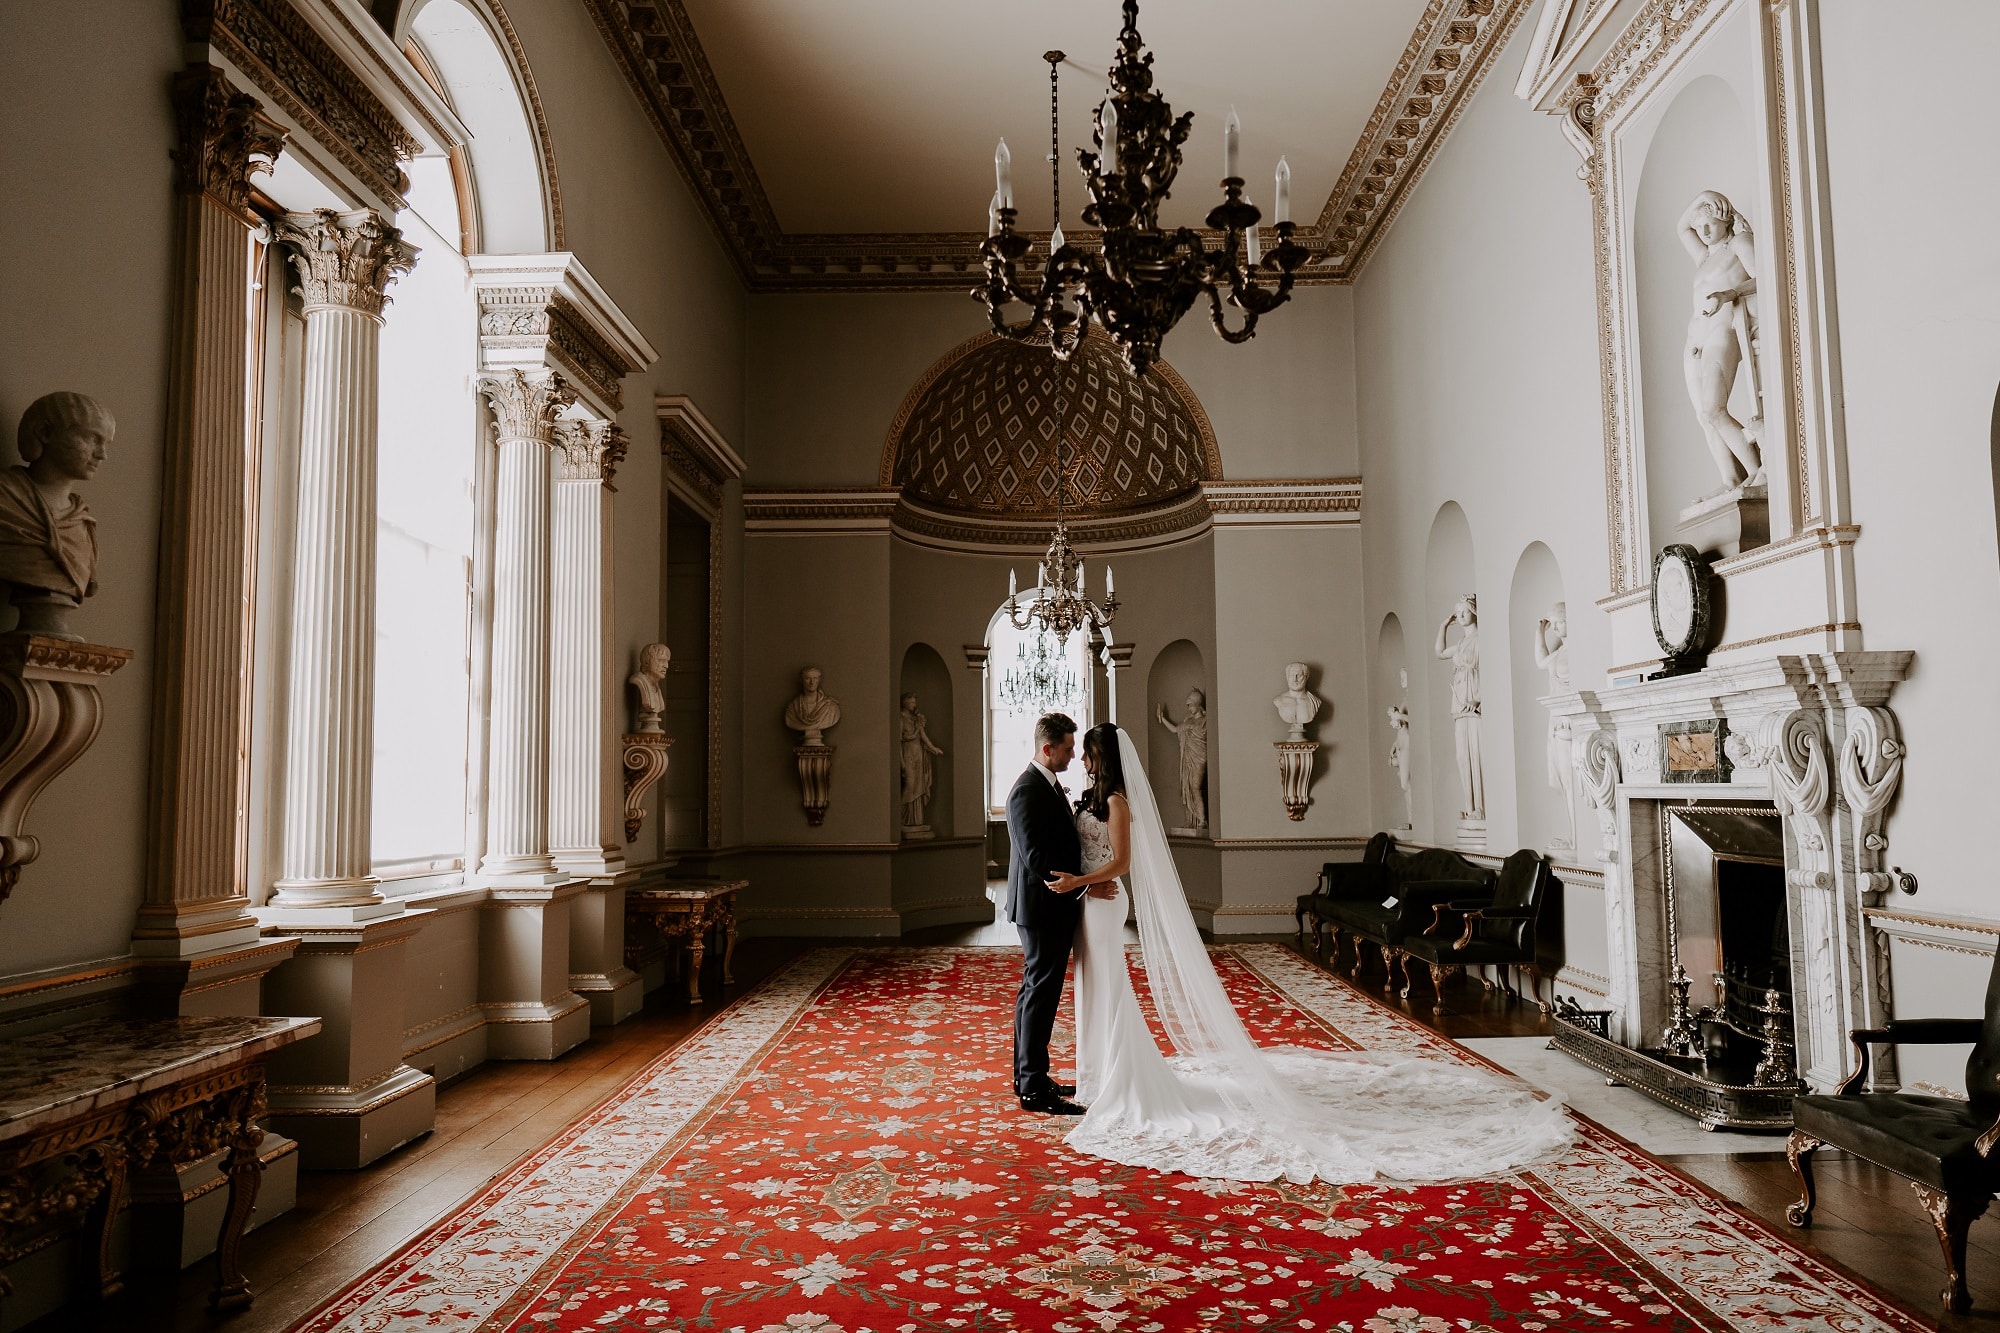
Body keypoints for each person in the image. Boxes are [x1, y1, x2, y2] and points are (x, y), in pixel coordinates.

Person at [1046, 721, 1573, 1182]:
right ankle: (1097, 1071)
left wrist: (1081, 881)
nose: (1085, 760)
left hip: (1101, 900)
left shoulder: (1116, 801)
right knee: (1094, 986)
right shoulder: (1088, 798)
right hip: (1085, 899)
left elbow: (1122, 864)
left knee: (1111, 986)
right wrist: (1078, 881)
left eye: (1090, 753)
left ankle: (1119, 1077)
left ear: (1103, 758)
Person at [1001, 712, 1109, 1116]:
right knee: (1040, 995)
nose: (1072, 755)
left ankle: (1028, 1076)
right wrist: (1085, 882)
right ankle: (1032, 1089)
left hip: (1049, 905)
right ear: (1047, 749)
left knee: (1034, 992)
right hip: (1042, 906)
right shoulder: (1026, 791)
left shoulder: (1046, 786)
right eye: (1066, 749)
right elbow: (1037, 859)